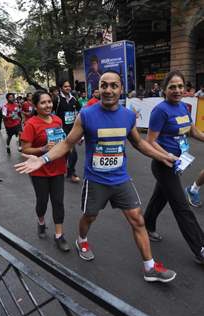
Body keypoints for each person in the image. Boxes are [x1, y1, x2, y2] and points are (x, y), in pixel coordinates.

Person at [15, 70, 177, 283]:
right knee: (89, 217)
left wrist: (161, 155)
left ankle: (149, 267)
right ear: (98, 88)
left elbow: (138, 143)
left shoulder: (128, 116)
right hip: (96, 181)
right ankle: (81, 239)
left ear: (121, 89)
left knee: (138, 219)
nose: (108, 90)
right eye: (104, 85)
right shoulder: (87, 114)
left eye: (113, 85)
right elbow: (67, 143)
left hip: (120, 179)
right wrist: (43, 158)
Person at [143, 70, 204, 264]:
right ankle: (200, 247)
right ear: (164, 89)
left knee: (160, 198)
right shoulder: (160, 110)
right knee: (181, 206)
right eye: (172, 87)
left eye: (180, 86)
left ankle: (147, 225)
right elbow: (150, 140)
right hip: (163, 164)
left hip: (176, 163)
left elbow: (192, 131)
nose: (177, 90)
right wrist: (165, 155)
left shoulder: (184, 108)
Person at [20, 90, 69, 251]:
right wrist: (42, 148)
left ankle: (59, 235)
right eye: (43, 102)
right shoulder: (31, 124)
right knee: (42, 202)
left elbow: (63, 143)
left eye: (49, 101)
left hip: (58, 168)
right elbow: (25, 149)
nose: (48, 105)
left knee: (58, 202)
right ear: (35, 105)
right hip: (39, 170)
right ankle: (41, 222)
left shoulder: (57, 120)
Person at [55, 80, 81, 183]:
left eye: (69, 86)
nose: (68, 88)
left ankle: (68, 171)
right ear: (61, 88)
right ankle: (71, 173)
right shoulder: (56, 99)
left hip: (71, 129)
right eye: (65, 86)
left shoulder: (73, 99)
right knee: (71, 153)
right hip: (60, 130)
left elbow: (80, 110)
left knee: (69, 152)